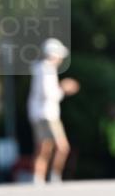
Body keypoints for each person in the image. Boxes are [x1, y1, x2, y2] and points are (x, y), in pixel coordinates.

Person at [27, 39, 80, 183]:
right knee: (61, 147)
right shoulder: (46, 70)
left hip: (39, 114)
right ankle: (53, 177)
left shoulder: (40, 68)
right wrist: (64, 88)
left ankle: (39, 178)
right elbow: (48, 94)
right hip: (47, 114)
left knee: (44, 147)